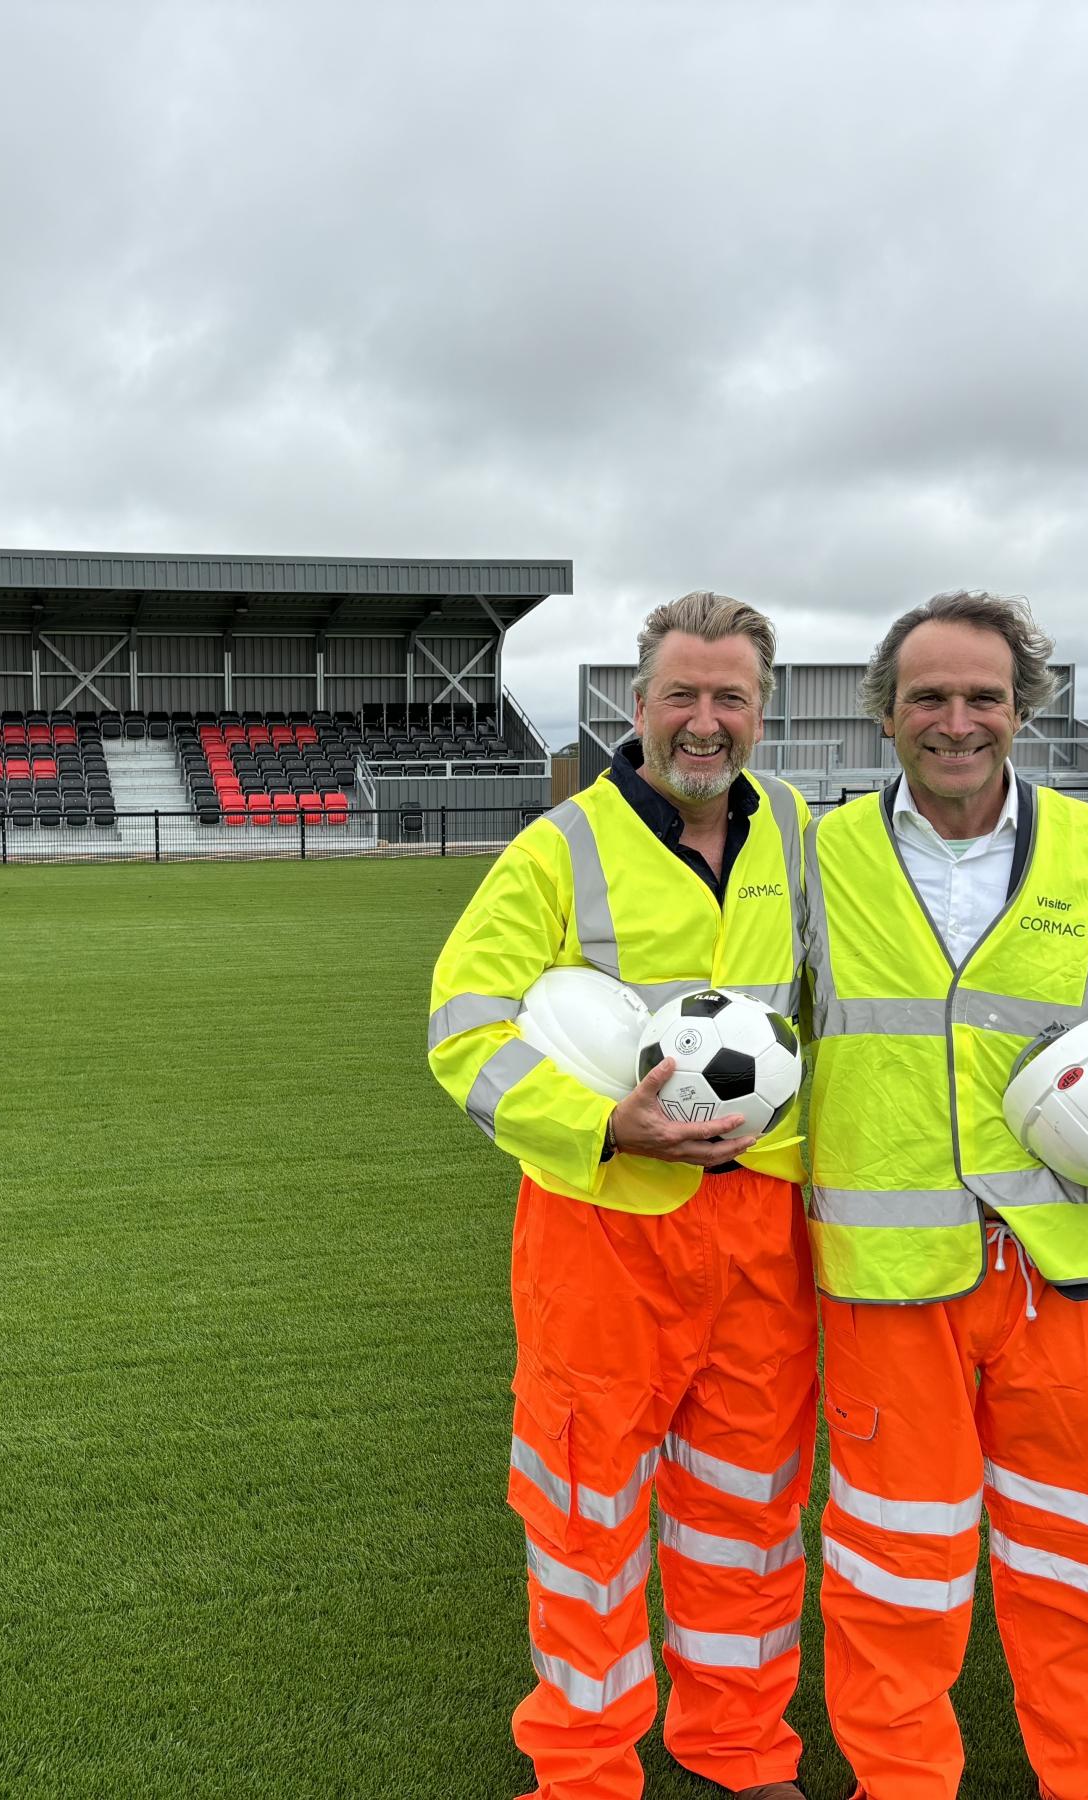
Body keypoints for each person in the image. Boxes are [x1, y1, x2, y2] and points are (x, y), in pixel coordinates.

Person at [799, 592, 1088, 1800]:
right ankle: (901, 1784)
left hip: (1069, 1262)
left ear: (1023, 709)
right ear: (886, 716)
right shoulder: (810, 855)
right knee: (896, 1567)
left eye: (983, 697)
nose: (957, 721)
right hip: (891, 1276)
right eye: (929, 698)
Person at [428, 591, 819, 1800]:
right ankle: (586, 1771)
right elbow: (463, 1026)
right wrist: (602, 1118)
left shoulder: (803, 831)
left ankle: (741, 1750)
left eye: (731, 698)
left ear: (763, 711)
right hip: (603, 1229)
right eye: (682, 697)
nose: (706, 722)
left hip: (765, 1224)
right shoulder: (560, 847)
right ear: (637, 706)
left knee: (749, 1510)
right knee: (587, 1517)